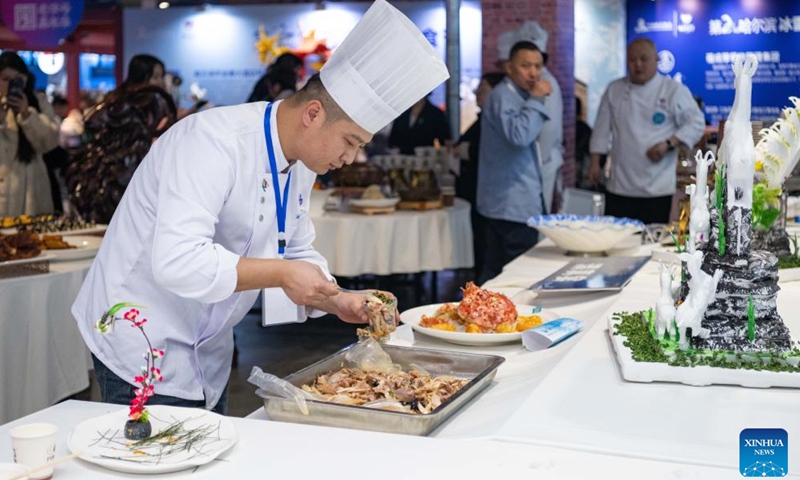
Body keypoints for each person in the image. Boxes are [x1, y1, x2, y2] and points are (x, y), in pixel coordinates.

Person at [71, 0, 449, 413]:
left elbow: (295, 249)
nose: (350, 158)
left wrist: (338, 299)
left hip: (207, 340)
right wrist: (283, 273)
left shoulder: (302, 160)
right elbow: (177, 260)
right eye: (350, 141)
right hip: (140, 332)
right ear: (313, 112)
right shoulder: (212, 142)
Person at [588, 38, 705, 224]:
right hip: (619, 186)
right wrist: (595, 163)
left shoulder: (672, 89)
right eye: (632, 59)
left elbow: (696, 122)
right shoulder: (615, 89)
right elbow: (601, 129)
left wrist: (668, 144)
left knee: (651, 243)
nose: (638, 65)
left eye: (644, 59)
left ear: (656, 60)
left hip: (656, 187)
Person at [476, 40, 551, 285]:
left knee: (497, 274)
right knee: (514, 278)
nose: (533, 73)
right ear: (510, 68)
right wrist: (538, 100)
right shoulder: (502, 96)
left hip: (512, 202)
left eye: (538, 66)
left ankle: (483, 320)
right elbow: (520, 136)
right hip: (510, 204)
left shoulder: (518, 95)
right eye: (525, 65)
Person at [456, 72, 504, 278]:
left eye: (483, 88)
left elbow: (485, 151)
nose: (477, 93)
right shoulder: (482, 118)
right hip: (472, 189)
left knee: (487, 246)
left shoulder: (494, 120)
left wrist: (462, 150)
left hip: (484, 190)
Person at [0, 51, 59, 217]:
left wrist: (27, 115)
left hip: (30, 192)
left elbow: (50, 142)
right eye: (5, 79)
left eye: (17, 79)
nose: (11, 85)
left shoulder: (38, 103)